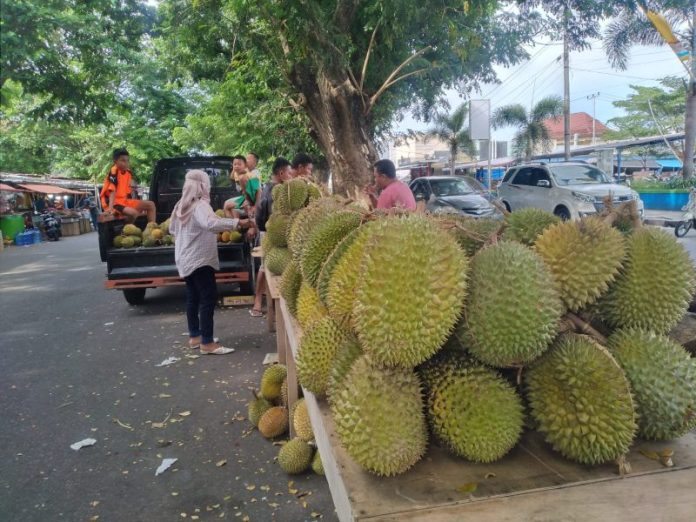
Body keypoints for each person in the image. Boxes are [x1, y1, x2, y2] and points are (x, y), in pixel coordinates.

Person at [170, 170, 254, 355]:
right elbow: (210, 224)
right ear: (202, 186)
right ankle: (207, 342)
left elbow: (172, 229)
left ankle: (195, 336)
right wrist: (237, 223)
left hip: (184, 258)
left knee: (193, 297)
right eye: (206, 184)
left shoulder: (181, 205)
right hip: (199, 259)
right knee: (207, 298)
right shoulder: (199, 206)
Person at [250, 157, 292, 317]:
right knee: (266, 267)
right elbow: (277, 217)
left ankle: (260, 303)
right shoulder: (277, 190)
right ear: (281, 173)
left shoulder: (267, 187)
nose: (291, 175)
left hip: (267, 232)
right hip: (272, 235)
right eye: (289, 172)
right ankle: (258, 303)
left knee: (266, 267)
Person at [100, 148, 156, 223]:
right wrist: (110, 209)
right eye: (123, 160)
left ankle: (151, 228)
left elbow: (128, 192)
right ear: (115, 161)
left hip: (124, 201)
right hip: (113, 202)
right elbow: (112, 191)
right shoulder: (114, 171)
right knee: (133, 213)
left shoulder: (128, 173)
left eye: (127, 160)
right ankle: (124, 232)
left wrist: (135, 205)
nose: (126, 163)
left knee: (151, 204)